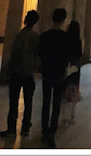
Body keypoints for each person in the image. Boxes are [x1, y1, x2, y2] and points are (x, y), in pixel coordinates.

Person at [0, 10, 40, 139]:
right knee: (28, 103)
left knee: (13, 102)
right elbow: (38, 55)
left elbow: (15, 54)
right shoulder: (36, 37)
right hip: (29, 74)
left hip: (18, 73)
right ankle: (25, 128)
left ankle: (11, 128)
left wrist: (9, 69)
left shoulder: (21, 36)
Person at [39, 8, 71, 148]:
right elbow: (67, 56)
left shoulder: (45, 36)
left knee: (46, 102)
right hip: (59, 74)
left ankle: (44, 130)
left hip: (47, 73)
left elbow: (40, 53)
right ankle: (52, 130)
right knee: (56, 103)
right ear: (64, 19)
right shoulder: (65, 37)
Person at [63, 20, 83, 124]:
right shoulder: (78, 41)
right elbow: (80, 54)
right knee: (74, 87)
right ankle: (72, 113)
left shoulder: (65, 38)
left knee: (65, 86)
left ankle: (63, 113)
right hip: (75, 66)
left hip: (67, 64)